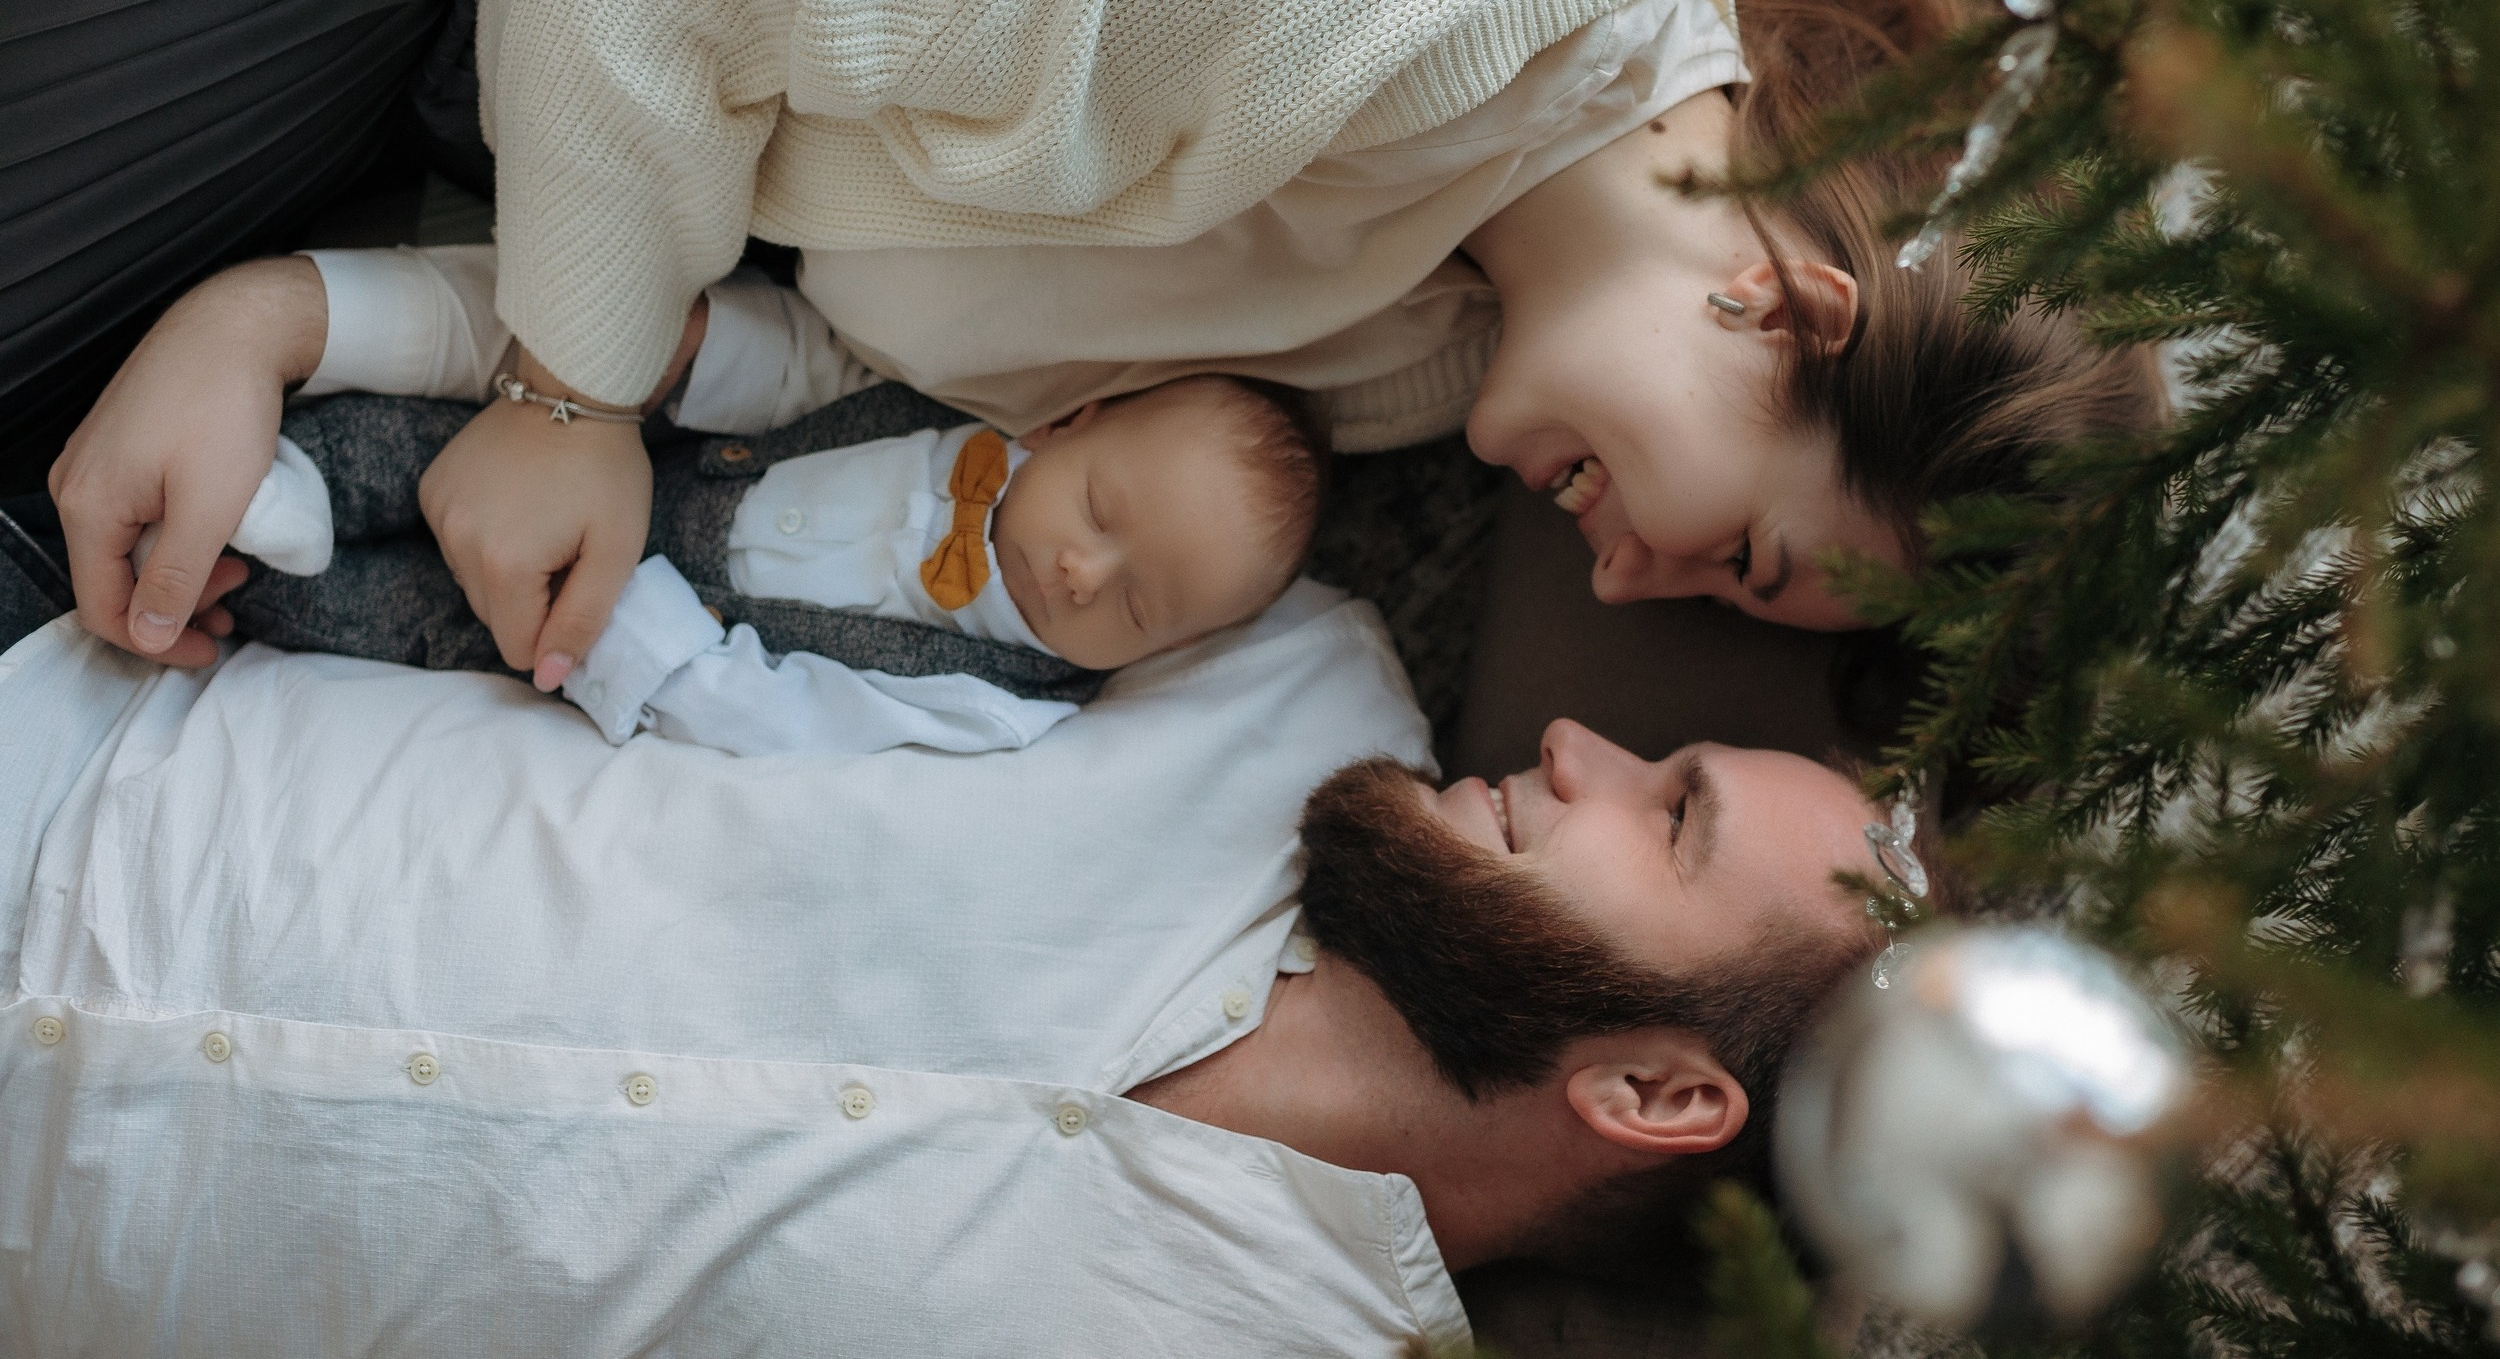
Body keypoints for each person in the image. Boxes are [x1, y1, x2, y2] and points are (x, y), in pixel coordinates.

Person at [47, 0, 2164, 691]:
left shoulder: (1419, 347)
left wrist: (282, 320)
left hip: (428, 127)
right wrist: (564, 393)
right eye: (1744, 563)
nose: (1624, 589)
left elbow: (800, 340)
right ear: (1788, 308)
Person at [0, 572, 1912, 1352]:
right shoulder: (1272, 666)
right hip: (81, 730)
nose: (1577, 747)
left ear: (1659, 1094)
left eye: (1664, 817)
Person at [181, 245, 1326, 755]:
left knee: (424, 624)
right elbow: (797, 369)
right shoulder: (942, 403)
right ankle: (289, 477)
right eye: (1100, 511)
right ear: (1067, 424)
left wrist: (642, 640)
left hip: (617, 625)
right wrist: (683, 351)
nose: (1082, 571)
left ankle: (254, 589)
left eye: (1136, 607)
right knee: (432, 438)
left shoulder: (995, 703)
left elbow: (791, 718)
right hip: (641, 463)